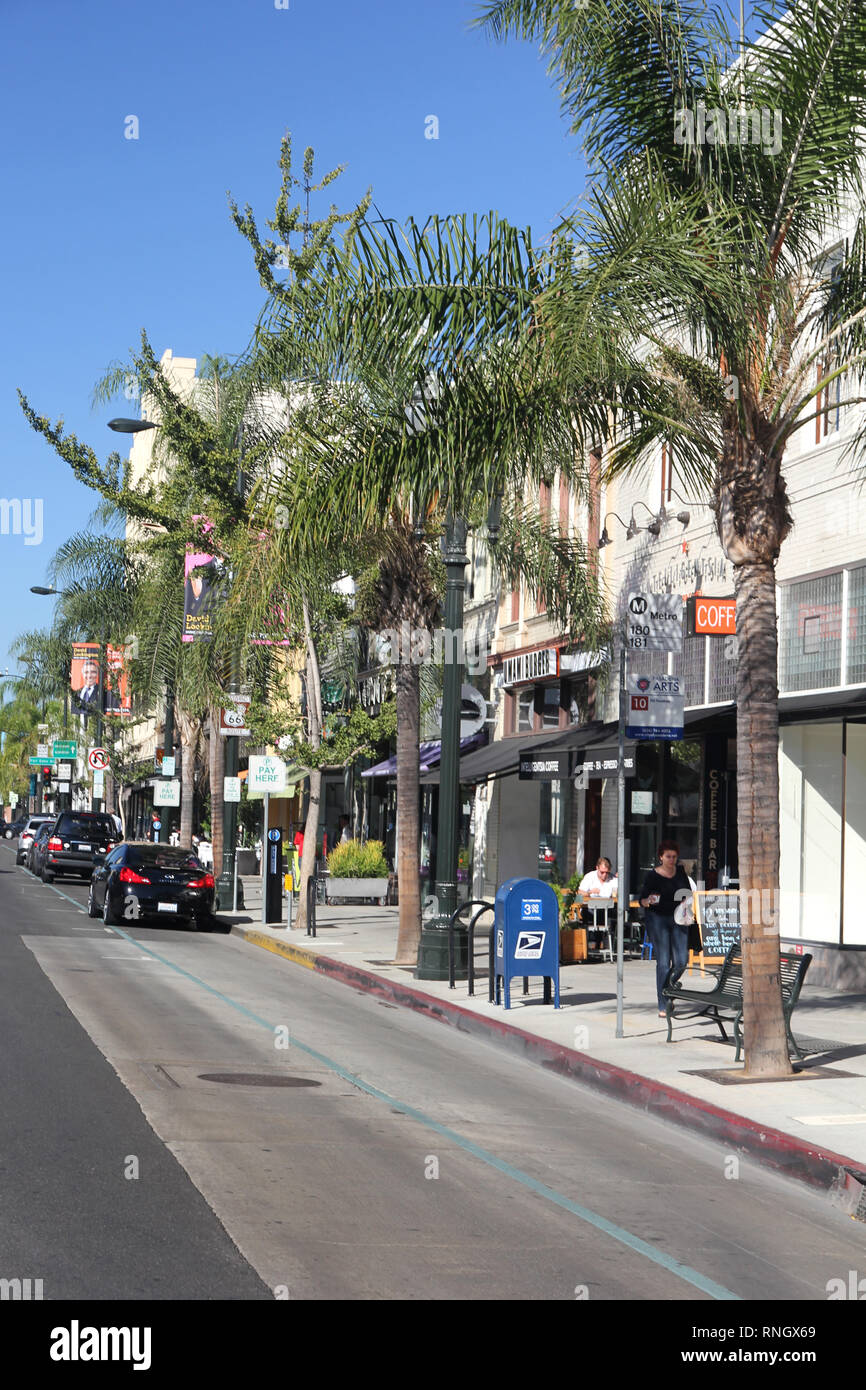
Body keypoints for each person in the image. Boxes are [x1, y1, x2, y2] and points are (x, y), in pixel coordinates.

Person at [639, 840, 697, 1017]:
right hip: (658, 919)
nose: (671, 860)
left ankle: (667, 989)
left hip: (678, 918)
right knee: (663, 963)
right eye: (668, 856)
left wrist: (687, 907)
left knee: (681, 962)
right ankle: (663, 1004)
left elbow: (687, 894)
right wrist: (648, 901)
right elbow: (642, 899)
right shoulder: (652, 876)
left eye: (674, 856)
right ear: (660, 857)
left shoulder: (680, 873)